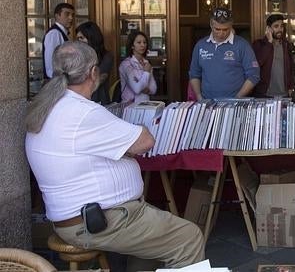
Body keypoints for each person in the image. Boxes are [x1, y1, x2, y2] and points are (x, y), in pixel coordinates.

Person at [25, 41, 205, 268]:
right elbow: (145, 141)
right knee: (188, 237)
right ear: (93, 73)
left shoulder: (46, 107)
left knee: (154, 245)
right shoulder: (83, 112)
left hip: (83, 218)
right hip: (100, 221)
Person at [189, 7, 260, 100]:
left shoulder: (242, 45)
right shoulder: (201, 45)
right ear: (211, 24)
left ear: (231, 26)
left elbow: (254, 75)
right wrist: (199, 96)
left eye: (226, 29)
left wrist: (238, 97)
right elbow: (194, 74)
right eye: (217, 29)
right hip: (207, 103)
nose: (221, 33)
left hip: (235, 103)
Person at [252, 14, 294, 97]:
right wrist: (269, 42)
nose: (280, 29)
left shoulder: (286, 45)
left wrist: (290, 87)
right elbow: (258, 63)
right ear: (269, 29)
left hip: (284, 94)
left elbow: (291, 67)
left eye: (281, 26)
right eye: (276, 26)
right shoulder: (259, 44)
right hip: (264, 94)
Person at [76, 21, 114, 104]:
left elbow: (98, 79)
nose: (79, 41)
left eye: (82, 38)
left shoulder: (106, 56)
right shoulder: (77, 56)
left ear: (91, 38)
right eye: (78, 38)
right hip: (79, 100)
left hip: (98, 100)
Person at [119, 31, 157, 103]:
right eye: (139, 42)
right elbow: (137, 89)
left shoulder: (146, 63)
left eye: (144, 42)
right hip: (130, 107)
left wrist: (141, 85)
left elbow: (153, 89)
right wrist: (146, 72)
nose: (143, 45)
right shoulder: (126, 64)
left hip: (145, 105)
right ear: (132, 45)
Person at [43, 3, 75, 79]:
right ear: (57, 16)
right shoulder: (54, 33)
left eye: (72, 15)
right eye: (67, 14)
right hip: (57, 82)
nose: (71, 18)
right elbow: (51, 62)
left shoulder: (62, 33)